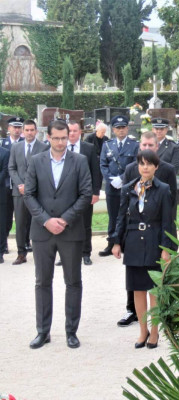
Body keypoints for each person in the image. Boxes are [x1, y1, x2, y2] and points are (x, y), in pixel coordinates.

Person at [24, 119, 92, 349]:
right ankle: (43, 331)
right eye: (56, 138)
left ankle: (71, 331)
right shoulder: (36, 161)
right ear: (48, 137)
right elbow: (29, 194)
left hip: (70, 231)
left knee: (73, 282)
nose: (61, 142)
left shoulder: (80, 161)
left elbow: (85, 194)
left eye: (65, 138)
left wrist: (64, 219)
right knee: (42, 282)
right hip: (42, 232)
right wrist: (46, 220)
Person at [112, 150, 175, 349]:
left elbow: (168, 221)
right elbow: (121, 216)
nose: (145, 167)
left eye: (149, 164)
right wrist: (116, 242)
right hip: (133, 243)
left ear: (156, 167)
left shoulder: (163, 189)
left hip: (154, 242)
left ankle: (154, 332)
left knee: (154, 291)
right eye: (141, 163)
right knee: (137, 290)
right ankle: (142, 331)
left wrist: (167, 248)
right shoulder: (129, 188)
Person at [8, 119, 49, 265]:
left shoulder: (44, 147)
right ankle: (21, 253)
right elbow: (11, 168)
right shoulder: (16, 147)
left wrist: (30, 186)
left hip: (37, 193)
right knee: (20, 224)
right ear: (23, 132)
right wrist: (20, 184)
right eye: (27, 130)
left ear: (36, 131)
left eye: (32, 130)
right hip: (19, 193)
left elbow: (44, 170)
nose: (30, 133)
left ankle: (40, 253)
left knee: (38, 222)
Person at [98, 115, 138, 258]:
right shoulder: (107, 145)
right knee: (113, 215)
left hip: (128, 186)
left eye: (123, 127)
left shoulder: (134, 145)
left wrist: (122, 179)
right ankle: (111, 243)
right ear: (113, 130)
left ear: (127, 128)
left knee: (128, 214)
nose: (121, 130)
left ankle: (126, 242)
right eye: (118, 128)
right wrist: (111, 180)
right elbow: (103, 164)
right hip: (112, 187)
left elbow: (135, 164)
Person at [66, 121, 102, 266]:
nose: (72, 133)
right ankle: (66, 254)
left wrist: (95, 192)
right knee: (66, 223)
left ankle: (85, 253)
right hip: (65, 194)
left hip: (85, 193)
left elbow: (95, 171)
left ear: (80, 132)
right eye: (69, 131)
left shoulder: (89, 148)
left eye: (75, 131)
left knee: (85, 224)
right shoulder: (61, 148)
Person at [1, 117, 24, 256]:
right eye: (14, 127)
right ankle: (3, 243)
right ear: (8, 129)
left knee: (23, 218)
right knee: (5, 218)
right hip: (5, 187)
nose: (16, 130)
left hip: (20, 185)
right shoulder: (3, 144)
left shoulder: (24, 144)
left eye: (18, 127)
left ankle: (25, 242)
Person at [0, 146, 9, 263]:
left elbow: (4, 171)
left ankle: (0, 251)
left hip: (0, 194)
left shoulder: (5, 153)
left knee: (1, 224)